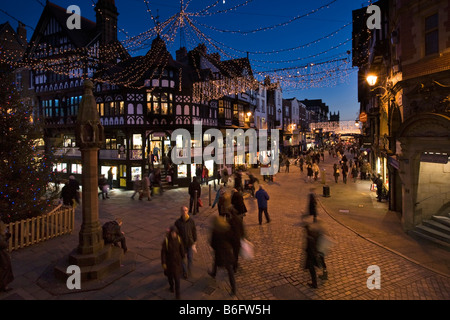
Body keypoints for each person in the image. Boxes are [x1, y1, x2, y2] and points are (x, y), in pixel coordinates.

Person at [208, 215, 236, 296]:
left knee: (216, 262)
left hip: (219, 252)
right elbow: (232, 239)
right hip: (227, 252)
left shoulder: (215, 231)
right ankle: (233, 289)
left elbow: (212, 243)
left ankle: (213, 273)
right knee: (229, 271)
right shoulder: (227, 228)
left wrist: (216, 247)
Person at [161, 225, 185, 300]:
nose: (174, 234)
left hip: (177, 263)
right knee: (170, 278)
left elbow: (182, 249)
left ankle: (178, 295)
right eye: (172, 233)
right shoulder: (166, 241)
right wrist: (164, 263)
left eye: (175, 233)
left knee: (177, 280)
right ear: (170, 233)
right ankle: (171, 287)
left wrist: (183, 257)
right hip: (169, 264)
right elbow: (163, 253)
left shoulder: (179, 239)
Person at [174, 206, 197, 278]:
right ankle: (185, 272)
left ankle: (189, 269)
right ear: (181, 212)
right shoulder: (177, 222)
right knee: (182, 259)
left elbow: (194, 231)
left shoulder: (191, 221)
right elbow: (175, 232)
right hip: (182, 244)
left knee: (190, 258)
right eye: (183, 210)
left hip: (190, 242)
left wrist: (194, 241)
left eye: (186, 210)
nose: (184, 212)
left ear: (187, 211)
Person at [0, 222, 14, 292]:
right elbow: (3, 244)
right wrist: (6, 239)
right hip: (2, 255)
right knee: (5, 268)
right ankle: (4, 285)